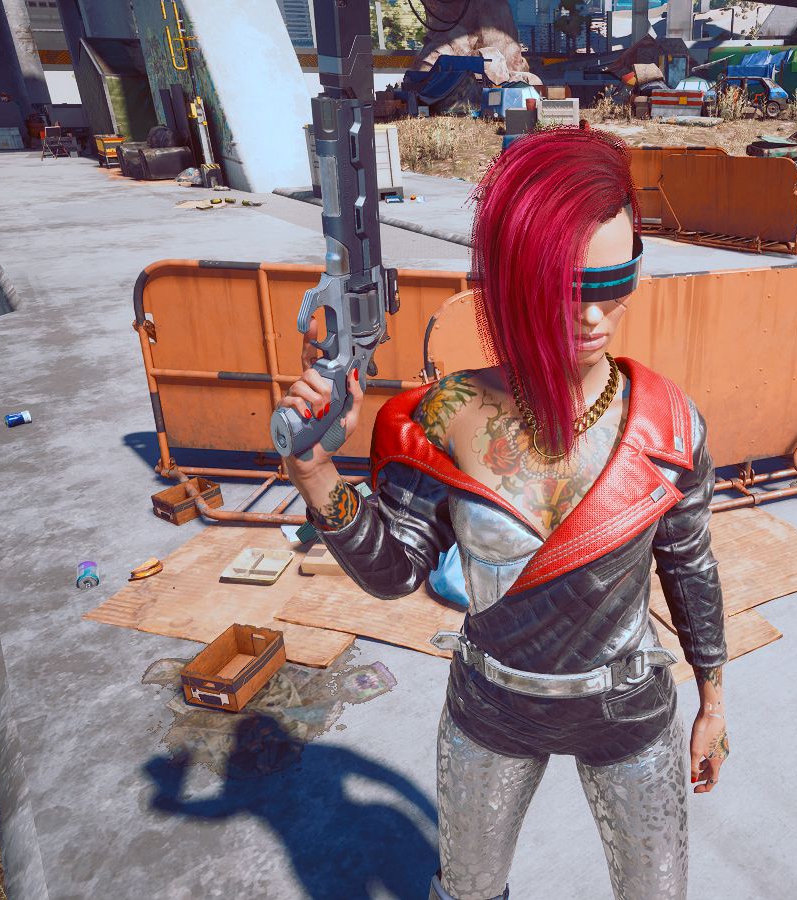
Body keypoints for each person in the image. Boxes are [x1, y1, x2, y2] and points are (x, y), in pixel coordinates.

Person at [277, 125, 729, 900]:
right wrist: (314, 469)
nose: (594, 316)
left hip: (628, 705)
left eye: (614, 283)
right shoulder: (445, 414)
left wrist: (714, 701)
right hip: (492, 706)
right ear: (513, 285)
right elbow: (394, 574)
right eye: (567, 289)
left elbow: (690, 567)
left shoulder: (670, 424)